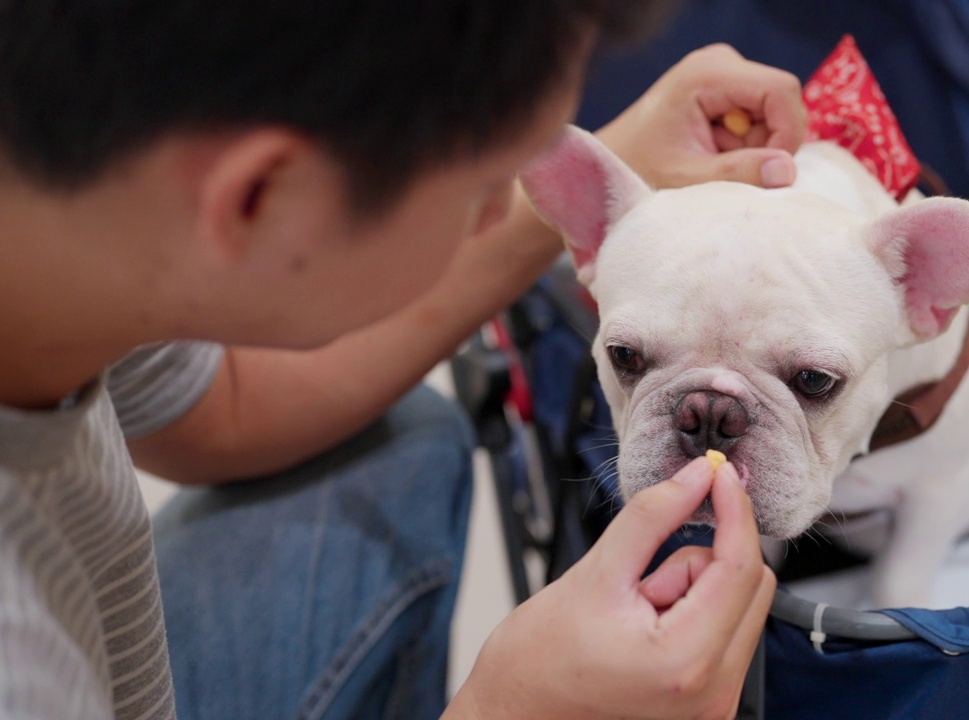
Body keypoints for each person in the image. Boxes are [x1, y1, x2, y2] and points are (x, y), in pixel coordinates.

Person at [0, 1, 808, 718]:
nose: (504, 211)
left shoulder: (74, 244)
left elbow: (228, 405)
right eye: (486, 186)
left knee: (406, 436)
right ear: (259, 200)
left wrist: (609, 176)